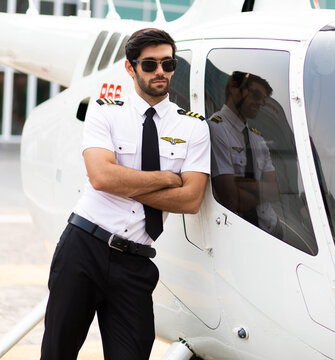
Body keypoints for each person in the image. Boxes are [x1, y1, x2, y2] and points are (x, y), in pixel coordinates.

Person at [40, 28, 210, 360]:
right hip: (83, 249)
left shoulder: (193, 127)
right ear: (131, 69)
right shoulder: (105, 111)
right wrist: (165, 178)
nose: (160, 72)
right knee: (57, 352)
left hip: (136, 262)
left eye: (168, 63)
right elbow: (102, 177)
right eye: (149, 65)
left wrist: (126, 182)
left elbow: (190, 200)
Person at [207, 71, 282, 238]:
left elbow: (276, 192)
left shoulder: (257, 139)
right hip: (242, 234)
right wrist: (262, 191)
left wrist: (244, 185)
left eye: (264, 99)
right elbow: (231, 199)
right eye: (256, 94)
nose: (260, 103)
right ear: (234, 88)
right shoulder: (216, 129)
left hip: (272, 228)